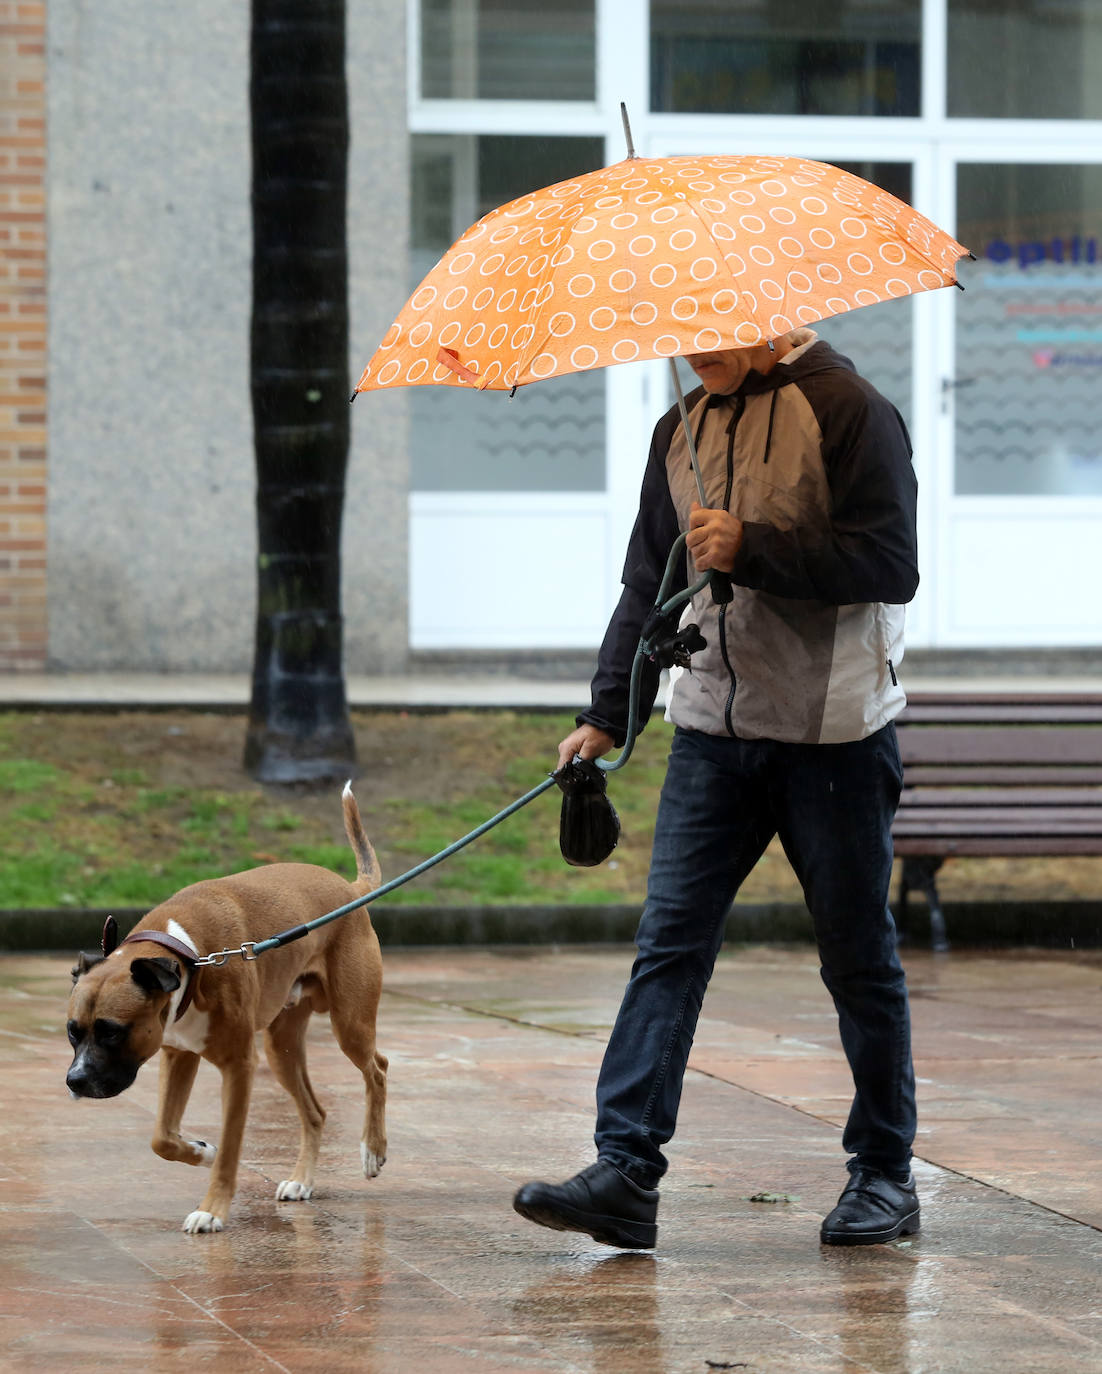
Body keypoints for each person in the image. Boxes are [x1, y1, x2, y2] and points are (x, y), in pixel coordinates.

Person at [513, 326, 921, 1250]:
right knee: (667, 948)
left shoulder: (853, 412)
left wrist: (753, 547)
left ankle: (886, 1175)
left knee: (857, 961)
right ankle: (625, 1171)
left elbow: (891, 563)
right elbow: (642, 585)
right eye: (684, 332)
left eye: (716, 330)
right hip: (710, 737)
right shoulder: (682, 429)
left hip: (834, 738)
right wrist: (609, 713)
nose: (694, 349)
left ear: (776, 318)